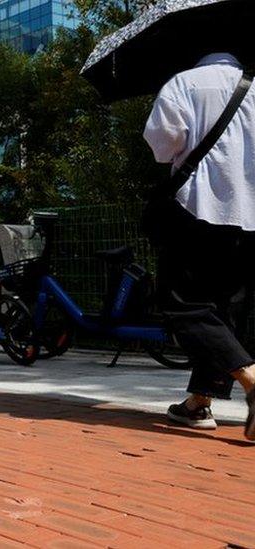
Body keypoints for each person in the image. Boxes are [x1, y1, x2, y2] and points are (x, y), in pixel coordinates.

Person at [144, 52, 255, 441]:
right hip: (251, 215)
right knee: (226, 307)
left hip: (199, 207)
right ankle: (198, 403)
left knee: (181, 303)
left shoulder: (184, 83)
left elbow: (162, 145)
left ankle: (251, 378)